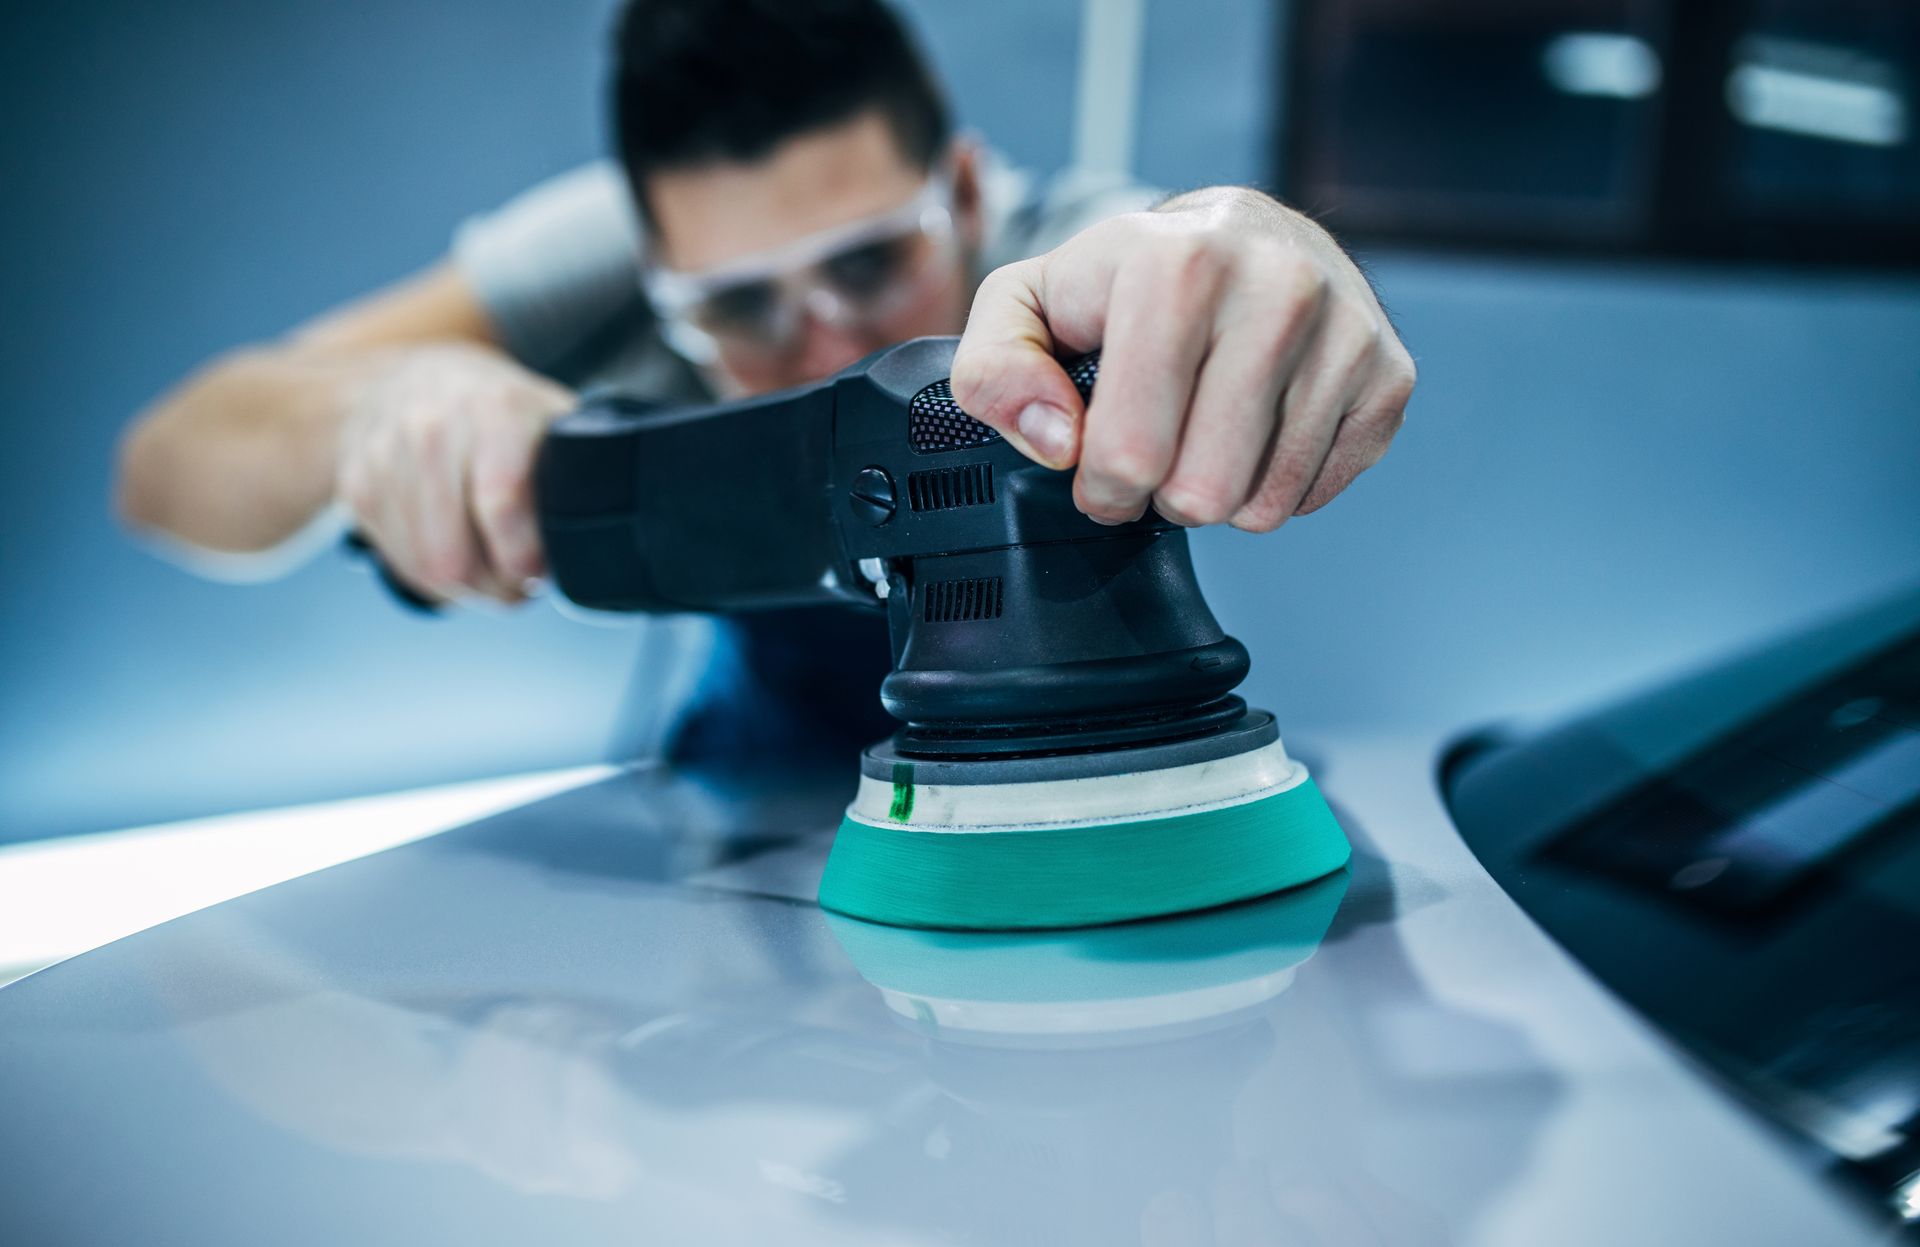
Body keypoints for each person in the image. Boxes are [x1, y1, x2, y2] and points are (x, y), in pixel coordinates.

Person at [114, 0, 1414, 755]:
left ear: (965, 194)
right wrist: (382, 405)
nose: (825, 345)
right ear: (655, 266)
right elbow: (169, 463)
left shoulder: (1058, 254)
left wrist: (1254, 245)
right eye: (737, 305)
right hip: (743, 771)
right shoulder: (606, 257)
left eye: (869, 268)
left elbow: (1190, 248)